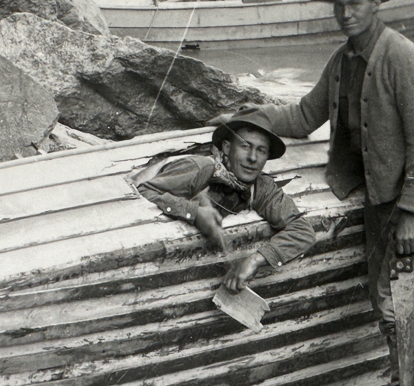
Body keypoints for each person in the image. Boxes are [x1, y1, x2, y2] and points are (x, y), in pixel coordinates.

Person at [214, 0, 414, 386]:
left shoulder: (405, 60)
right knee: (387, 308)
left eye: (355, 4)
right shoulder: (344, 60)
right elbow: (304, 116)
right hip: (378, 201)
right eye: (339, 6)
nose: (346, 14)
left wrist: (413, 215)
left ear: (376, 4)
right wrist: (244, 119)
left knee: (404, 311)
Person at [130, 107, 315, 294]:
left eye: (261, 150)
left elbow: (303, 231)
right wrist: (193, 212)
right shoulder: (199, 168)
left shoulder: (262, 187)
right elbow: (144, 190)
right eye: (245, 146)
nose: (252, 158)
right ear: (227, 147)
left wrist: (254, 260)